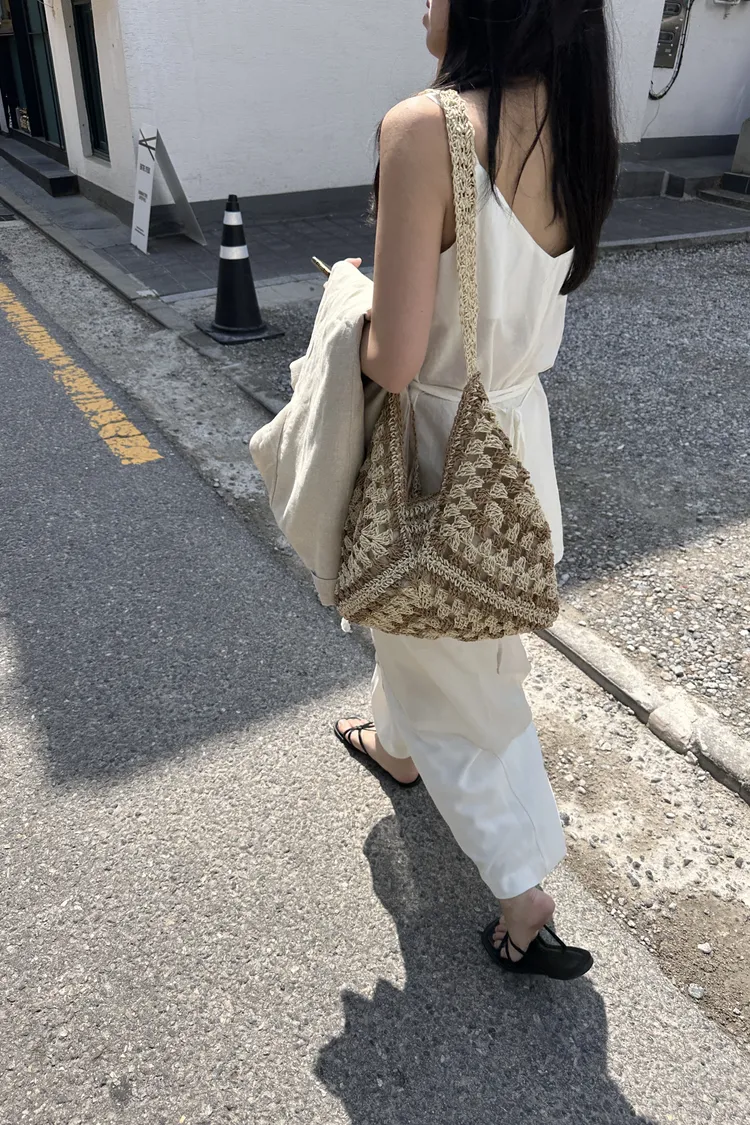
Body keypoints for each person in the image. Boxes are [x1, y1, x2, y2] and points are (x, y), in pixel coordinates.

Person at [334, 0, 618, 978]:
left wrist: (347, 309)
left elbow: (396, 357)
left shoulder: (427, 128)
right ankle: (395, 745)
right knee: (451, 636)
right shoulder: (576, 121)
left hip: (437, 449)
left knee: (466, 688)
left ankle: (523, 892)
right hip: (516, 445)